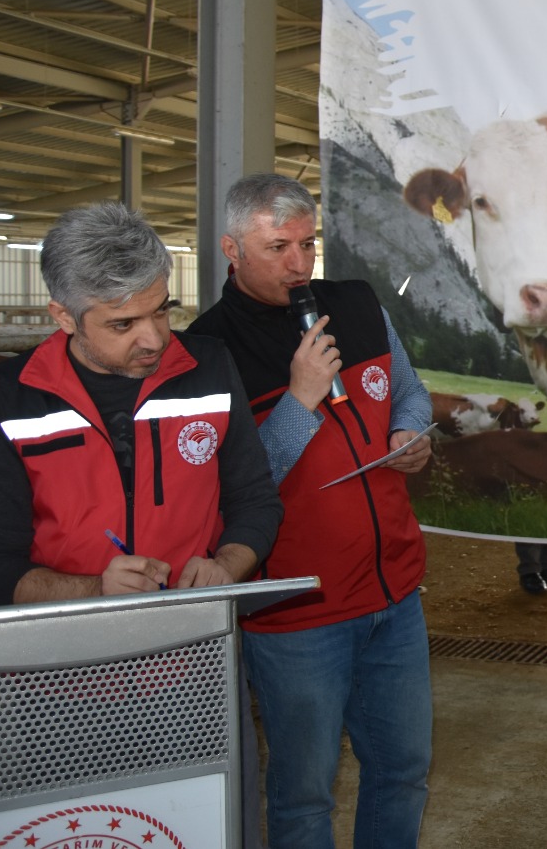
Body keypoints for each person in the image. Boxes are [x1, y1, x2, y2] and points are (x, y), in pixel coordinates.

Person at [0, 202, 283, 847]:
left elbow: (255, 501)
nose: (154, 339)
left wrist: (228, 564)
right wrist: (92, 591)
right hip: (60, 689)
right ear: (63, 317)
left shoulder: (208, 366)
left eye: (162, 310)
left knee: (213, 827)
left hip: (194, 673)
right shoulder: (15, 393)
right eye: (123, 323)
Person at [189, 174, 434, 849]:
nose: (299, 264)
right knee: (303, 796)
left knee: (404, 771)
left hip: (394, 593)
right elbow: (234, 490)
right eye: (278, 248)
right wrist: (300, 398)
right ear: (232, 249)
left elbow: (410, 390)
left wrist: (410, 432)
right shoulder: (207, 352)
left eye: (308, 243)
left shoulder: (356, 304)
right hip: (298, 611)